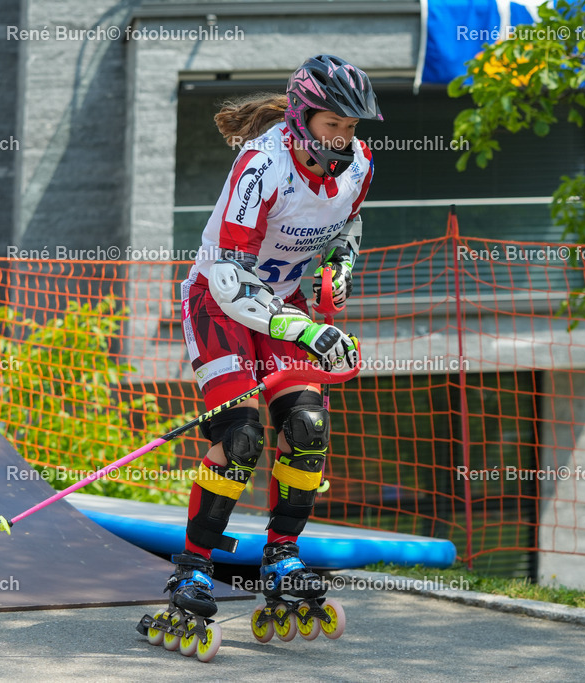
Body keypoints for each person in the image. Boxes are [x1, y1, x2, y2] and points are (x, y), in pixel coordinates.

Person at [169, 54, 382, 618]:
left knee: (308, 428)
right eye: (333, 124)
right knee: (241, 438)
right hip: (220, 300)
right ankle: (193, 568)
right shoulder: (262, 164)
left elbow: (349, 225)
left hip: (284, 303)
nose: (343, 138)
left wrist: (341, 264)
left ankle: (282, 556)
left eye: (351, 126)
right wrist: (308, 331)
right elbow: (230, 276)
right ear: (301, 117)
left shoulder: (359, 164)